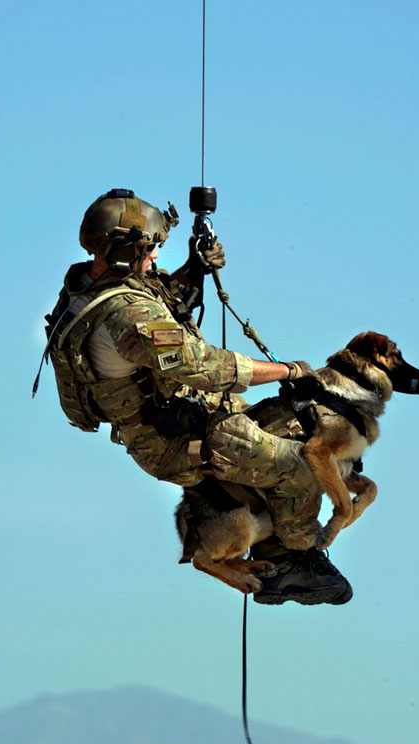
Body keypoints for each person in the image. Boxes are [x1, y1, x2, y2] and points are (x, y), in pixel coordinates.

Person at [43, 188, 352, 605]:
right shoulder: (124, 315)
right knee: (300, 469)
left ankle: (270, 540)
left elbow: (158, 299)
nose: (154, 257)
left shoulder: (86, 286)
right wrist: (290, 371)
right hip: (174, 438)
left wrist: (194, 267)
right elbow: (201, 365)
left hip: (178, 421)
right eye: (148, 249)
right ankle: (296, 562)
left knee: (295, 425)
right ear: (120, 252)